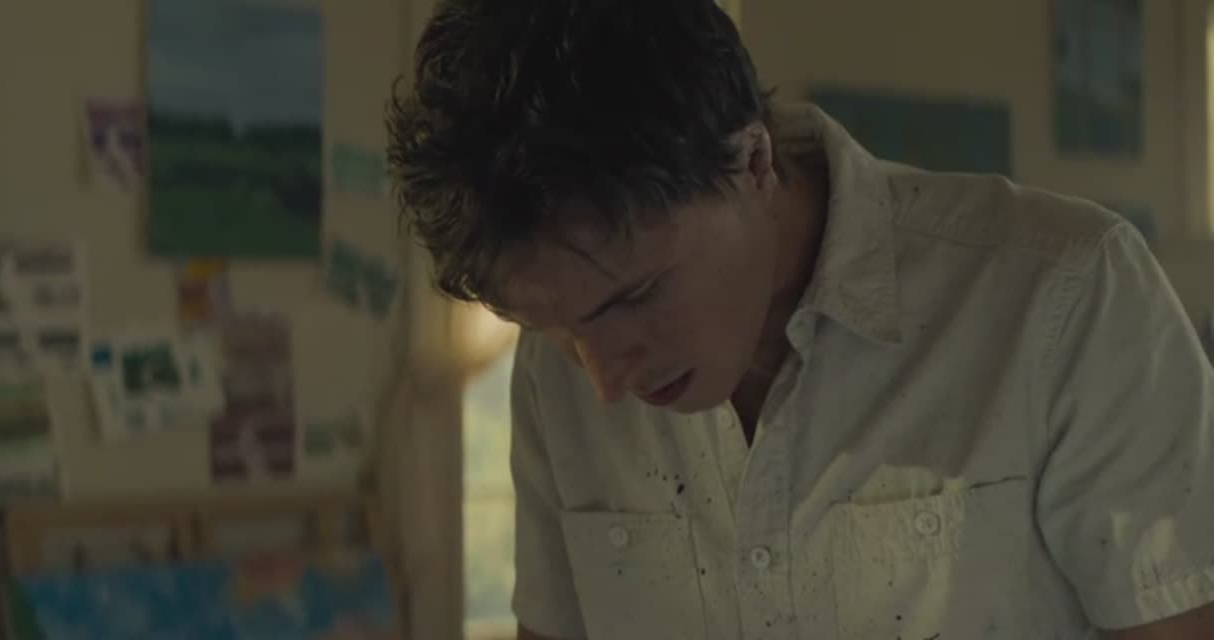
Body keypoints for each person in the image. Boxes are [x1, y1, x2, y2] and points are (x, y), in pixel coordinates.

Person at [385, 0, 1214, 637]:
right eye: (559, 330)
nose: (605, 380)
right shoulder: (557, 371)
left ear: (752, 161)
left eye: (634, 297)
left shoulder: (1062, 295)